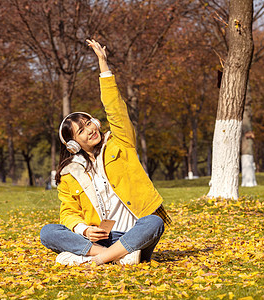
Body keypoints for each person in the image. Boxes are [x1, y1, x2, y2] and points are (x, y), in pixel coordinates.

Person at [40, 39, 171, 266]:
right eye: (82, 130)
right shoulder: (71, 173)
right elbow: (68, 212)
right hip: (98, 240)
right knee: (48, 232)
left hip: (132, 235)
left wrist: (103, 67)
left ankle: (97, 259)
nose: (90, 129)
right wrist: (83, 229)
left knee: (154, 222)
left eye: (89, 123)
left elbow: (116, 109)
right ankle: (114, 256)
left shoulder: (119, 143)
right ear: (73, 145)